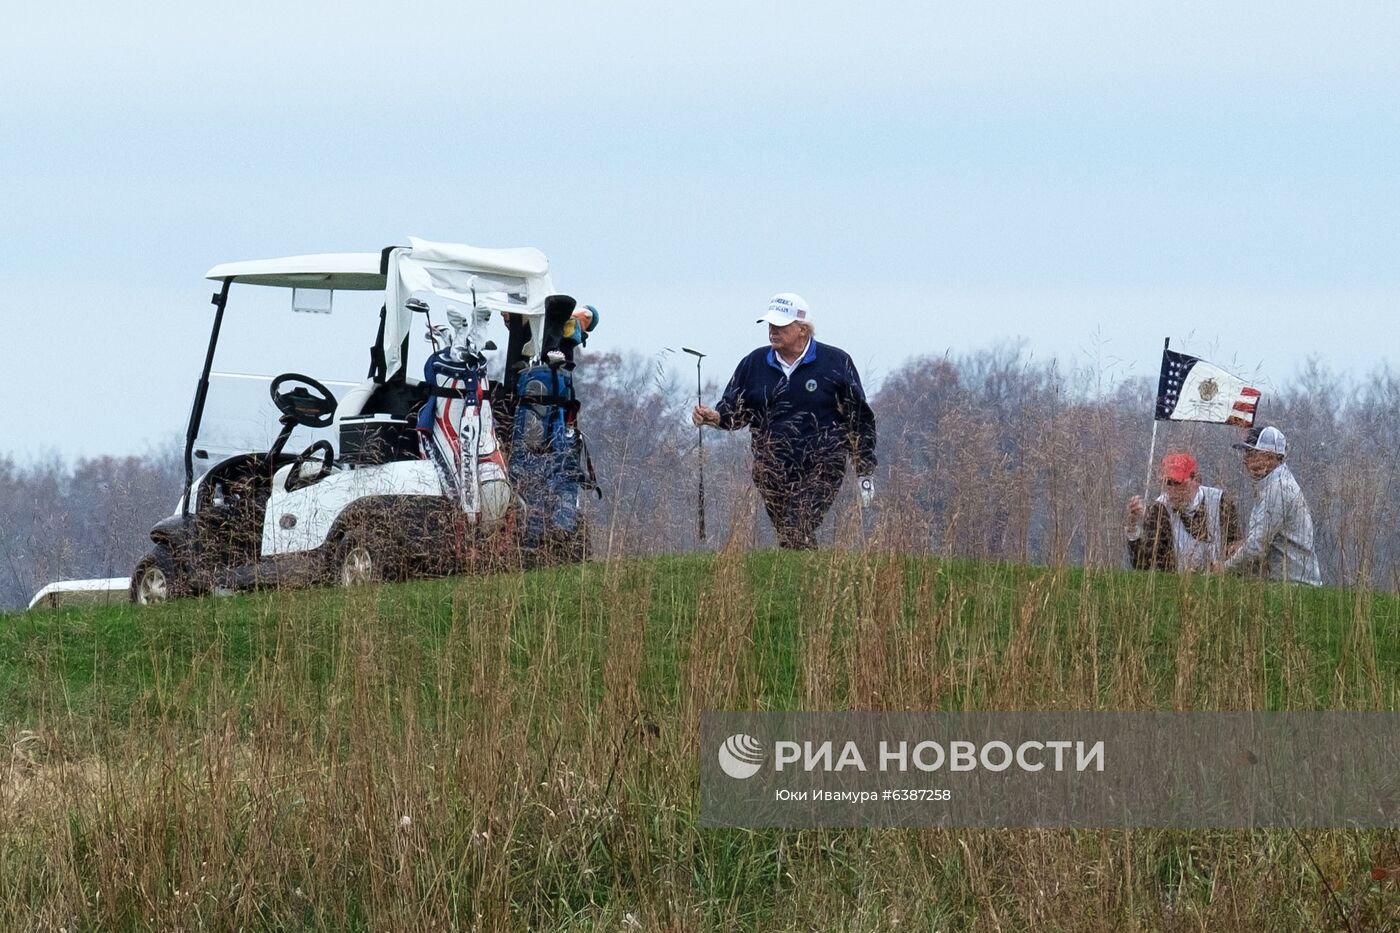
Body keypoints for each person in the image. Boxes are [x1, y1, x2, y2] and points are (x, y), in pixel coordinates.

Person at [692, 293, 877, 549]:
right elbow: (736, 410)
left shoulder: (836, 362)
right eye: (770, 325)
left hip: (824, 461)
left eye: (780, 326)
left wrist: (864, 464)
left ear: (802, 329)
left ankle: (803, 572)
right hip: (770, 464)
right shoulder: (753, 363)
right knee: (792, 536)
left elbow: (859, 416)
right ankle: (807, 578)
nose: (773, 331)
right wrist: (717, 417)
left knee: (796, 525)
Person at [1217, 425, 1322, 585]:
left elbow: (1256, 548)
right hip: (1289, 586)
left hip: (1292, 589)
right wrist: (1242, 544)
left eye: (1252, 453)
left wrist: (1222, 570)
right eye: (1245, 453)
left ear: (1272, 456)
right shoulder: (1276, 484)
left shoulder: (1277, 489)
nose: (1245, 460)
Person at [1125, 452, 1243, 572]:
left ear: (1195, 480)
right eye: (1168, 483)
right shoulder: (1160, 510)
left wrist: (1226, 564)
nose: (1172, 490)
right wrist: (1133, 527)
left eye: (1178, 483)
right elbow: (1143, 565)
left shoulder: (1221, 501)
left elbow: (1236, 545)